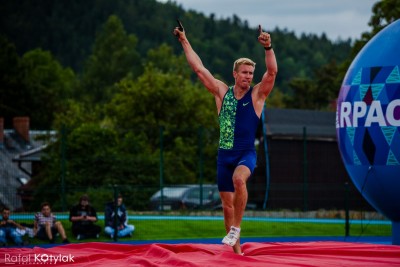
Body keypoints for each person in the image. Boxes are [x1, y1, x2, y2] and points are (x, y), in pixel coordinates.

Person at [173, 22, 277, 254]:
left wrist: (268, 47)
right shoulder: (222, 92)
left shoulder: (257, 95)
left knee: (240, 181)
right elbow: (199, 69)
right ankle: (237, 252)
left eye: (251, 73)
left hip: (245, 153)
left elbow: (271, 72)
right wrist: (184, 40)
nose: (248, 77)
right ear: (235, 74)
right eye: (245, 73)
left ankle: (236, 229)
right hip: (224, 155)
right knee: (226, 206)